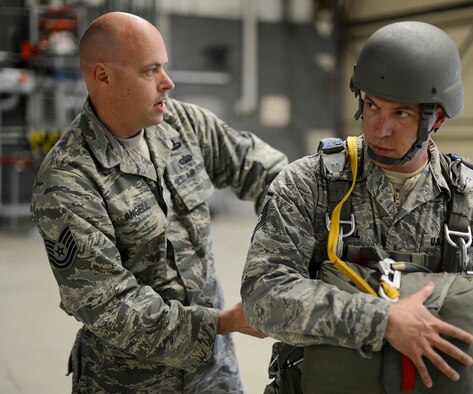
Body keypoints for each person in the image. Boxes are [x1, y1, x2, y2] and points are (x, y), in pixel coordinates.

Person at [241, 21, 473, 393]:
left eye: (400, 114)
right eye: (371, 106)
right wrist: (382, 320)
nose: (379, 128)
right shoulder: (310, 185)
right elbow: (263, 298)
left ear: (436, 117)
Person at [30, 11, 288, 393]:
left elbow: (267, 172)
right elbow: (111, 307)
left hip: (214, 372)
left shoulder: (182, 125)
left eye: (163, 67)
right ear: (102, 76)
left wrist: (293, 244)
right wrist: (223, 322)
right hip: (128, 380)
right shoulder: (68, 179)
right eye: (151, 71)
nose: (168, 82)